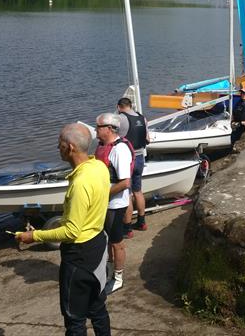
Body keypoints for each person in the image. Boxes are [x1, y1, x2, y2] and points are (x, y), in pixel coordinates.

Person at [16, 123, 111, 336]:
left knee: (74, 318)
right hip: (97, 245)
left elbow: (71, 232)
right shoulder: (99, 166)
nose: (56, 147)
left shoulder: (80, 183)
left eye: (59, 143)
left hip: (79, 256)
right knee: (97, 308)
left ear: (69, 147)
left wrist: (34, 236)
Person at [94, 112, 133, 293]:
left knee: (116, 242)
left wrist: (103, 195)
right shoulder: (102, 146)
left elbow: (125, 182)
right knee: (107, 240)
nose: (96, 129)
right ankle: (108, 271)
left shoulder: (120, 150)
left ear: (109, 129)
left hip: (115, 205)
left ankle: (118, 278)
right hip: (103, 204)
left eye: (98, 127)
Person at [117, 97, 148, 235]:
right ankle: (142, 222)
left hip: (127, 159)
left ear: (119, 107)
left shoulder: (121, 118)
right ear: (131, 105)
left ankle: (127, 228)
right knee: (138, 191)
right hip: (140, 157)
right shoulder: (143, 118)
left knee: (127, 194)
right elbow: (147, 139)